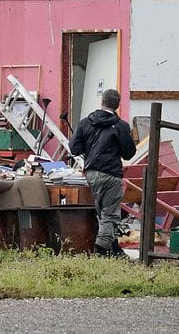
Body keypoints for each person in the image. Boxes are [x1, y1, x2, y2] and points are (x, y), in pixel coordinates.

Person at [69, 89, 136, 258]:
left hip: (91, 173)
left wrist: (90, 149)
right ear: (117, 105)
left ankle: (115, 250)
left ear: (102, 102)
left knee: (102, 213)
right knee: (110, 214)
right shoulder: (121, 126)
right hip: (111, 174)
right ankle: (100, 252)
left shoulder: (85, 122)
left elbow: (74, 148)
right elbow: (129, 153)